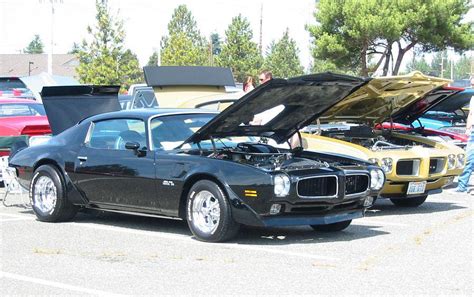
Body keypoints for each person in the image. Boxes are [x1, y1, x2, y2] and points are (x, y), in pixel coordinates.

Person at [455, 80, 474, 193]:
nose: (472, 86)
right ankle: (462, 186)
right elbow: (471, 114)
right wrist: (468, 129)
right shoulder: (473, 98)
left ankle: (462, 186)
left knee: (469, 158)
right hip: (473, 132)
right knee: (469, 159)